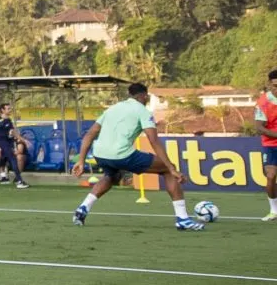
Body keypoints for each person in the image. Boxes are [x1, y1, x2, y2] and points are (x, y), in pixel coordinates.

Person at [72, 83, 203, 231]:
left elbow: (90, 134)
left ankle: (83, 208)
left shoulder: (113, 109)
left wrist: (81, 161)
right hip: (121, 154)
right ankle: (183, 219)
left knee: (111, 177)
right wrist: (171, 167)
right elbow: (153, 140)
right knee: (166, 170)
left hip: (100, 154)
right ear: (144, 96)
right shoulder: (143, 111)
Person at [254, 70, 277, 222]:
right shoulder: (263, 103)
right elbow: (259, 128)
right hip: (271, 144)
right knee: (270, 176)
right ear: (270, 84)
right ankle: (274, 211)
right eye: (275, 85)